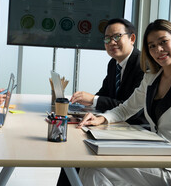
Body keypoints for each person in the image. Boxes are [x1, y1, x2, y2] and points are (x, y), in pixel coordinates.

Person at [77, 19, 171, 185]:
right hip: (158, 157)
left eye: (163, 42)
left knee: (95, 167)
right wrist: (102, 118)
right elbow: (126, 108)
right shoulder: (151, 79)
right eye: (152, 46)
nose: (158, 50)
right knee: (93, 166)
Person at [58, 18, 146, 186]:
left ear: (132, 38)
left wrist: (94, 100)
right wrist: (84, 104)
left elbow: (130, 106)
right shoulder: (114, 64)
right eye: (107, 38)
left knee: (78, 154)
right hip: (115, 125)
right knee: (73, 152)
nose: (111, 42)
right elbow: (104, 93)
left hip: (135, 129)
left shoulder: (142, 65)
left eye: (117, 37)